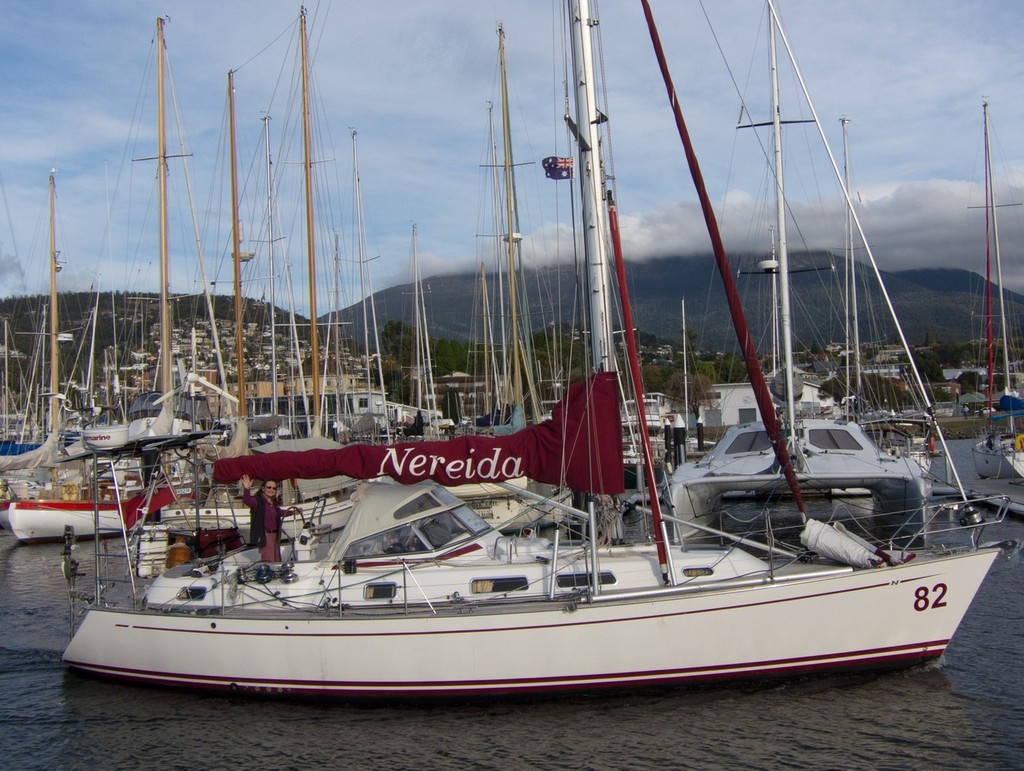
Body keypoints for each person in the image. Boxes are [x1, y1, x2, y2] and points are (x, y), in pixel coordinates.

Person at [241, 474, 284, 561]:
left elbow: (279, 512)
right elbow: (247, 501)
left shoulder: (273, 502)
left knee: (277, 560)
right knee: (269, 561)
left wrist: (294, 512)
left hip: (275, 536)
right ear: (263, 488)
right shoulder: (257, 501)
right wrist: (247, 489)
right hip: (265, 536)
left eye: (274, 488)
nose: (271, 490)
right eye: (269, 487)